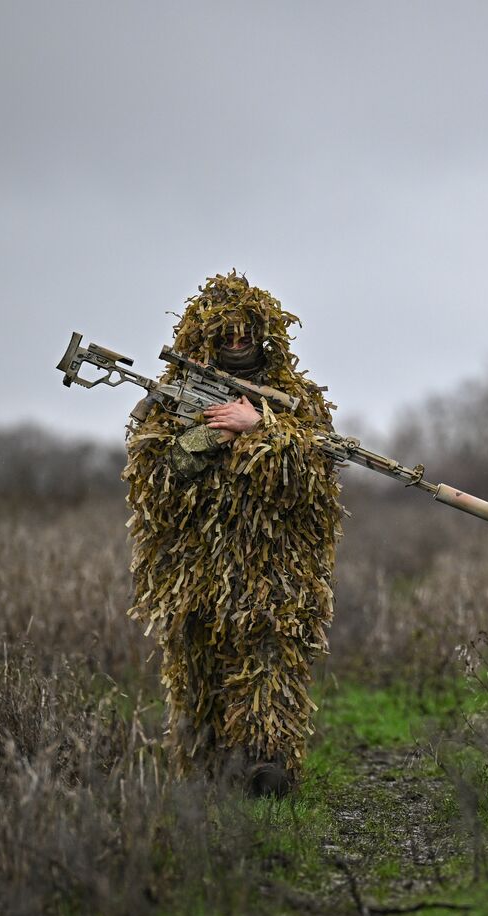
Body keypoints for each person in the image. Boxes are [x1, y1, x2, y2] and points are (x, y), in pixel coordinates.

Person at [122, 271, 343, 796]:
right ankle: (207, 776)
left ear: (265, 334)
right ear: (207, 338)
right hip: (194, 569)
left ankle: (268, 769)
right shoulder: (173, 396)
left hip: (277, 570)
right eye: (226, 334)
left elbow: (315, 478)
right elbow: (154, 481)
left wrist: (260, 429)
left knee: (271, 667)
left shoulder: (297, 401)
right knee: (198, 674)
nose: (238, 341)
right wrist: (206, 436)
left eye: (247, 332)